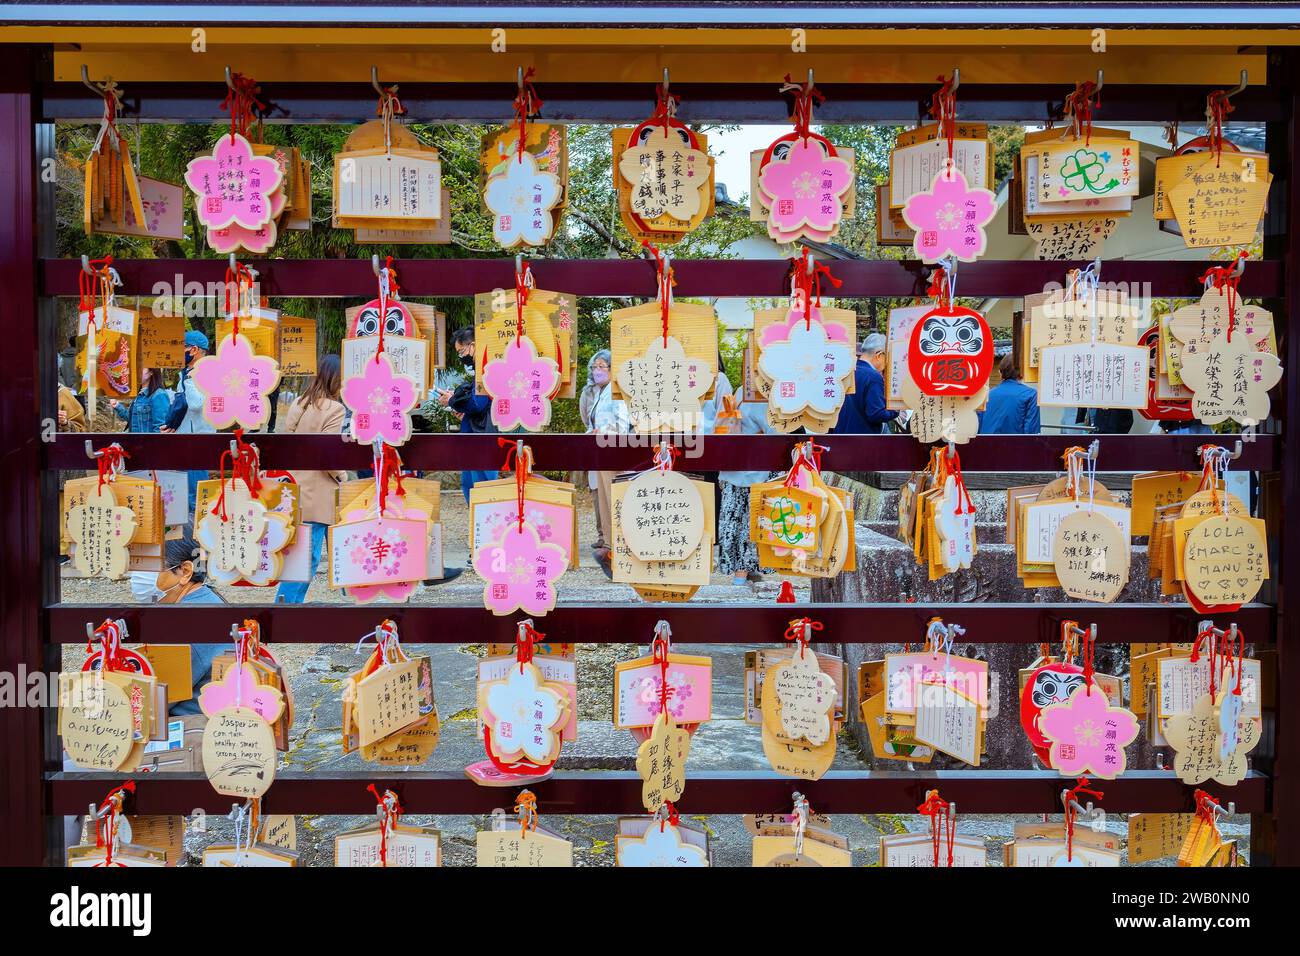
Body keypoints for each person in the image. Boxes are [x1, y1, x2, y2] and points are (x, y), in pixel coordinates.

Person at [275, 356, 346, 603]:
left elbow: (288, 444)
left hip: (295, 488)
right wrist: (342, 475)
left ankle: (284, 604)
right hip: (320, 493)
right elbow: (328, 455)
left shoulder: (299, 403)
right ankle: (286, 606)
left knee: (298, 554)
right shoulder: (336, 409)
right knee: (310, 555)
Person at [154, 530, 226, 715]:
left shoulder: (186, 623)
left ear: (185, 571)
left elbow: (156, 700)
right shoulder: (206, 598)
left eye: (152, 567)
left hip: (191, 731)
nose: (139, 577)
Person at [714, 397, 779, 586]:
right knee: (749, 525)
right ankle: (741, 576)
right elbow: (774, 433)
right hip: (754, 471)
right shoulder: (763, 400)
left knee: (735, 523)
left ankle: (741, 573)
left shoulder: (741, 393)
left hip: (733, 468)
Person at [436, 328, 497, 502]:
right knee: (472, 486)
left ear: (473, 346)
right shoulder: (482, 370)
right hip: (475, 434)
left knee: (480, 489)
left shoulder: (486, 370)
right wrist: (464, 414)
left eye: (462, 352)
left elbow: (478, 403)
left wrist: (452, 400)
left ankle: (483, 526)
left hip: (481, 439)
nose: (462, 358)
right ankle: (477, 526)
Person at [161, 330, 215, 514]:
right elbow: (181, 404)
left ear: (193, 350)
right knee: (184, 489)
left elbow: (195, 404)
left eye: (182, 348)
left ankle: (198, 534)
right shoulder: (185, 374)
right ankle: (187, 534)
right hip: (185, 439)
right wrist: (172, 424)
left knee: (197, 492)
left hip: (199, 440)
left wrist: (190, 379)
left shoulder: (208, 374)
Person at [579, 349, 613, 558]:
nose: (598, 371)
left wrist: (606, 431)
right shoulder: (594, 391)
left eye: (602, 366)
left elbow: (622, 421)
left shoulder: (615, 390)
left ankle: (611, 541)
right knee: (598, 493)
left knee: (609, 494)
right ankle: (605, 538)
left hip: (612, 447)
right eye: (595, 367)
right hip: (597, 446)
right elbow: (587, 417)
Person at [833, 333, 898, 434]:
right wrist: (895, 410)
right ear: (879, 355)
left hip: (839, 436)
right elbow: (876, 414)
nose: (887, 364)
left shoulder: (846, 371)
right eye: (888, 358)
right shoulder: (873, 377)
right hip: (863, 441)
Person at [978, 354, 1041, 434]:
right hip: (1015, 445)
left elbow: (977, 426)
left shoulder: (986, 395)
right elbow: (1031, 432)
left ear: (1000, 372)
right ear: (1023, 371)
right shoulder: (1031, 394)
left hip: (985, 445)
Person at [109, 367, 170, 433]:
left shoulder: (159, 395)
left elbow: (160, 428)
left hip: (146, 442)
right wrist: (118, 406)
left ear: (151, 372)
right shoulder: (140, 394)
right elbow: (134, 419)